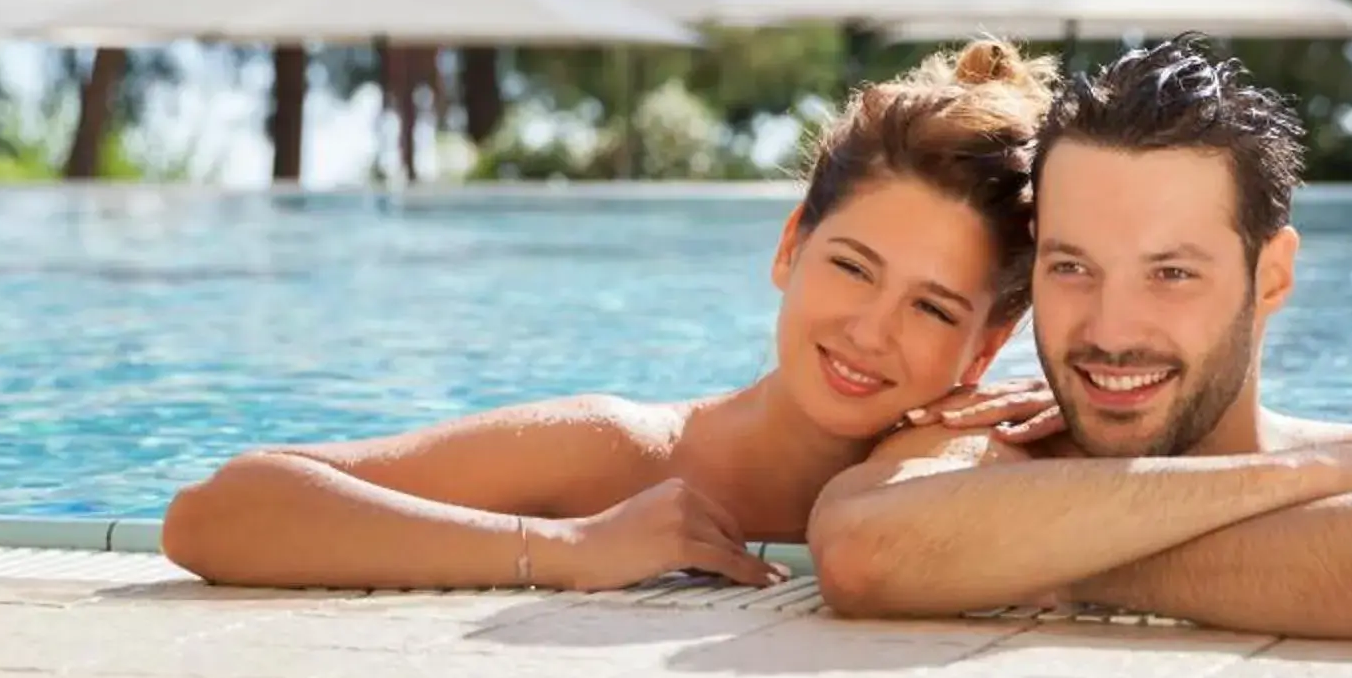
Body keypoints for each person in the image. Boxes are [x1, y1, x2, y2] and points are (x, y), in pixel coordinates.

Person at [160, 41, 1057, 592]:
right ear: (791, 247)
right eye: (852, 266)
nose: (871, 328)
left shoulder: (985, 460)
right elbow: (217, 513)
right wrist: (564, 548)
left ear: (987, 345)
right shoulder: (624, 452)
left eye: (933, 307)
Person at [808, 35, 1352, 644]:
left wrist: (1026, 554)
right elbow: (860, 551)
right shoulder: (994, 436)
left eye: (1170, 273)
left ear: (1270, 277)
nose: (1110, 332)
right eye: (1072, 267)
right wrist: (1327, 479)